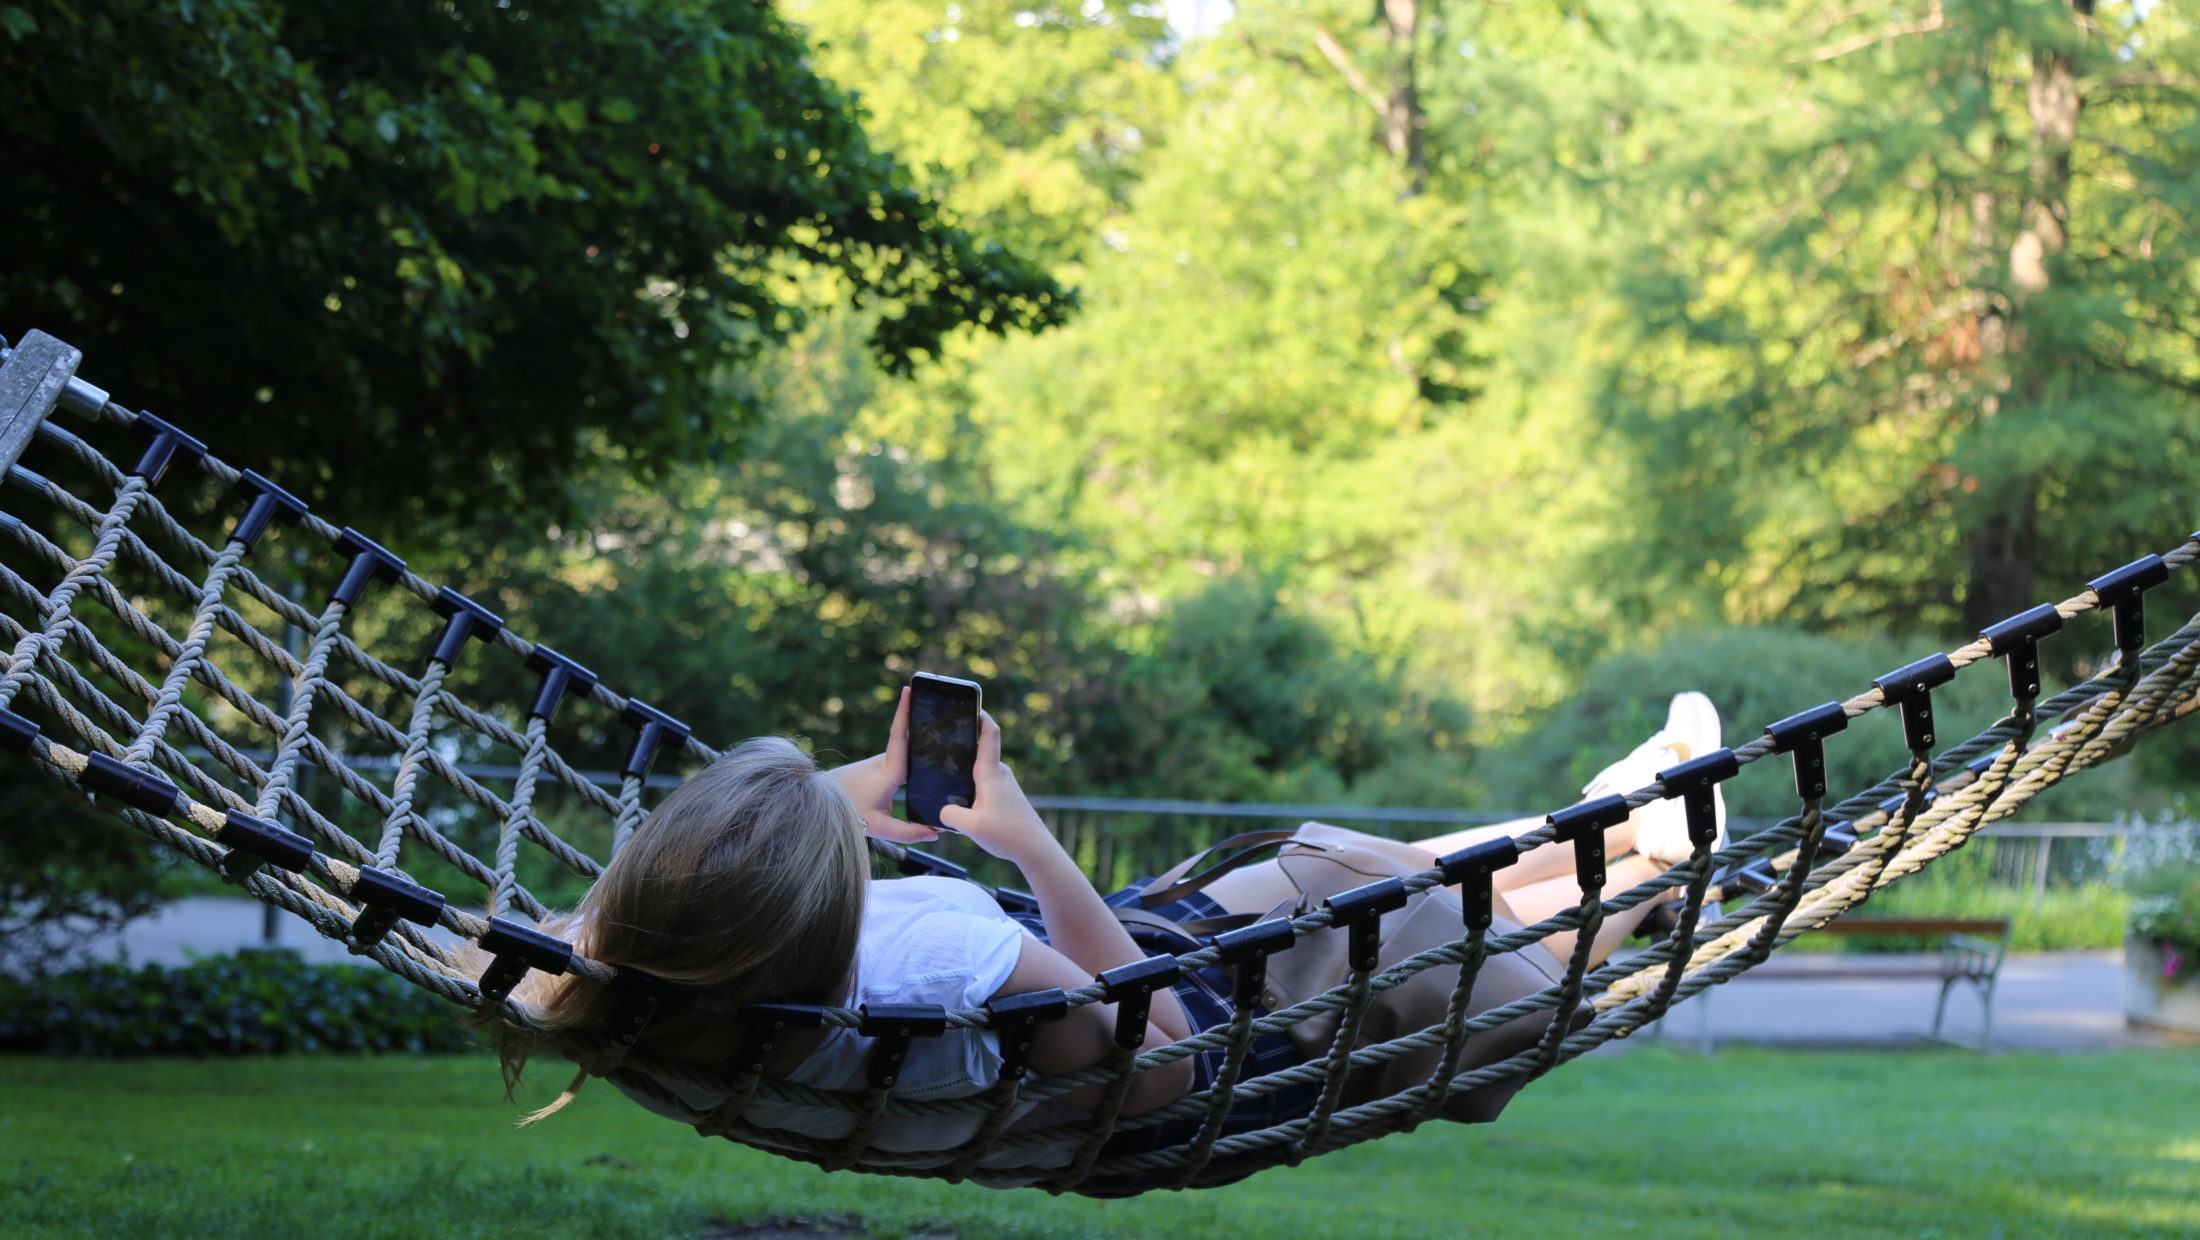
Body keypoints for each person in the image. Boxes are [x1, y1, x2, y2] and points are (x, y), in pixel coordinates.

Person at [485, 688, 1726, 1187]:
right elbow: (1161, 1050)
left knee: (1324, 877)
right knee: (1373, 896)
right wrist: (1025, 840)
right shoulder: (939, 942)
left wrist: (896, 789)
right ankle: (1647, 882)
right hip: (1222, 1042)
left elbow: (730, 863)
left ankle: (1631, 819)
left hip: (1138, 983)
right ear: (829, 889)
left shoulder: (646, 958)